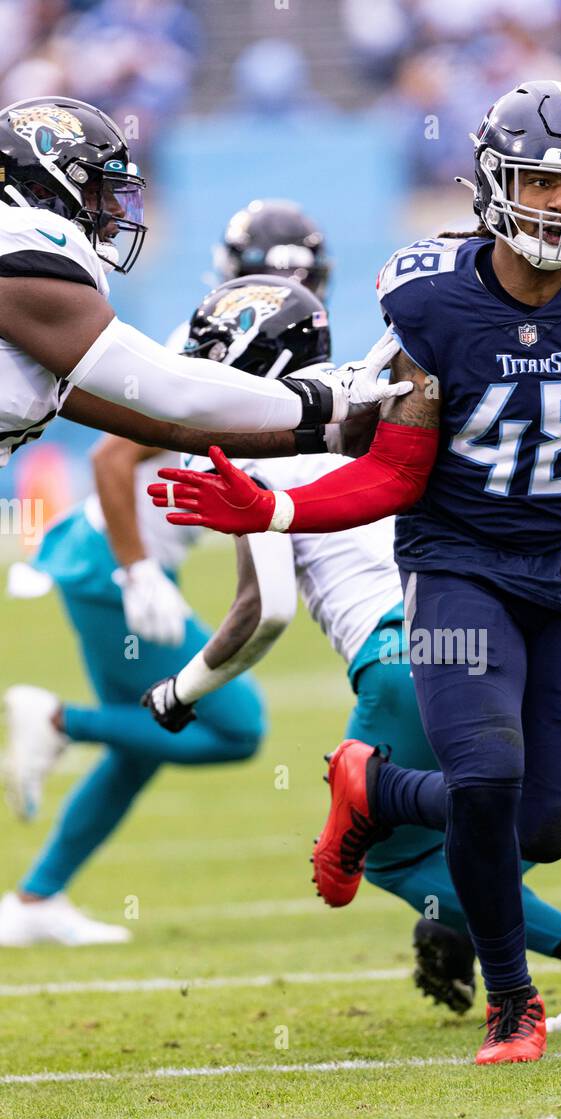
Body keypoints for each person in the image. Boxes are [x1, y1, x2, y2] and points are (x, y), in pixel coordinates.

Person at [148, 81, 561, 1065]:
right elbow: (392, 471)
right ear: (493, 184)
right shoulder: (432, 303)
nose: (556, 204)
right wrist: (278, 506)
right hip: (458, 569)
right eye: (539, 181)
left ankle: (369, 782)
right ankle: (513, 1002)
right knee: (484, 774)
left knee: (552, 816)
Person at [0, 259, 333, 945]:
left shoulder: (245, 347)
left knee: (148, 739)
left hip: (123, 563)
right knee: (236, 729)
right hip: (112, 568)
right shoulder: (218, 352)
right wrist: (138, 570)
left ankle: (36, 900)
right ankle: (60, 721)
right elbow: (109, 459)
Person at [0, 96, 406, 474]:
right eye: (97, 191)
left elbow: (165, 425)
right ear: (38, 188)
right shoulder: (23, 235)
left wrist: (324, 433)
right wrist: (330, 394)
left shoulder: (32, 301)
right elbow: (173, 390)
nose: (116, 210)